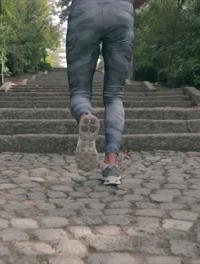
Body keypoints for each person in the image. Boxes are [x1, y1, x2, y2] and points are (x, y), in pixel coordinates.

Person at [67, 0, 149, 185]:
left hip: (84, 11)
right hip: (121, 12)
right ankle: (111, 165)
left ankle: (84, 117)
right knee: (114, 95)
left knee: (79, 91)